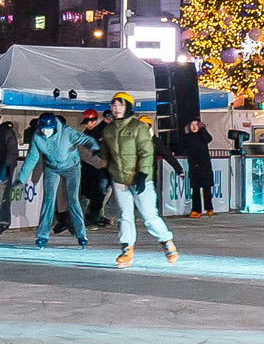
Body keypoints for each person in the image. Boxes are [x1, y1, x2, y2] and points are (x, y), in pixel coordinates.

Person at [101, 92, 176, 267]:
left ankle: (167, 242)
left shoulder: (138, 127)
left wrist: (142, 174)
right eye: (114, 106)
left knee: (149, 216)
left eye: (120, 105)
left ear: (128, 107)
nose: (117, 109)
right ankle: (127, 249)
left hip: (140, 179)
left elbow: (146, 152)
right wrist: (105, 170)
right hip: (119, 178)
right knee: (125, 215)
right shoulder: (109, 129)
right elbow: (105, 153)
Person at [16, 113, 94, 249]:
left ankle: (81, 234)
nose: (45, 132)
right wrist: (22, 178)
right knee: (48, 200)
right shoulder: (37, 137)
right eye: (43, 129)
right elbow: (32, 158)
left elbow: (84, 139)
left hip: (71, 167)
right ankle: (42, 236)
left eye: (48, 129)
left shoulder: (67, 132)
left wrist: (96, 148)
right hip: (52, 168)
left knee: (73, 200)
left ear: (54, 127)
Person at [0, 107, 19, 237]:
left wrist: (8, 166)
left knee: (1, 196)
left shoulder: (6, 131)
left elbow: (12, 150)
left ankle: (3, 221)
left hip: (4, 168)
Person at [77, 108, 111, 228]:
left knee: (100, 193)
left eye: (89, 122)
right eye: (86, 122)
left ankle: (94, 216)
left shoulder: (103, 131)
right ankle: (87, 218)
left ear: (95, 120)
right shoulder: (86, 134)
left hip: (100, 169)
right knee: (89, 194)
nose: (87, 124)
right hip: (90, 169)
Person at [178, 118, 216, 216]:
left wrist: (202, 129)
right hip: (194, 166)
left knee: (207, 187)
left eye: (196, 125)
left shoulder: (202, 136)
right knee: (195, 189)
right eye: (192, 125)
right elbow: (182, 147)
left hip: (204, 165)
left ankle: (209, 208)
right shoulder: (187, 137)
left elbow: (209, 139)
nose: (194, 127)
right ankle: (196, 210)